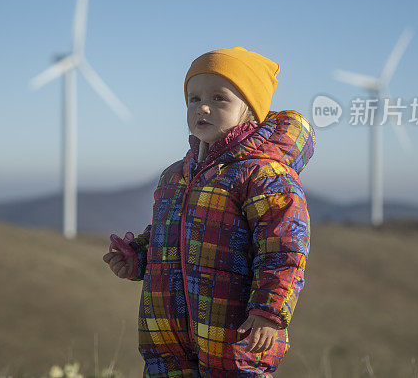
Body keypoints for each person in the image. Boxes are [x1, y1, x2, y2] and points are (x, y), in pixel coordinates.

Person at [103, 46, 316, 377]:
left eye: (219, 98)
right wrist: (137, 256)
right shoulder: (175, 175)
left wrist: (269, 311)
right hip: (166, 340)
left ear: (250, 110)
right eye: (193, 98)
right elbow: (168, 235)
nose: (202, 106)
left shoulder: (263, 175)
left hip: (233, 340)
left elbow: (284, 249)